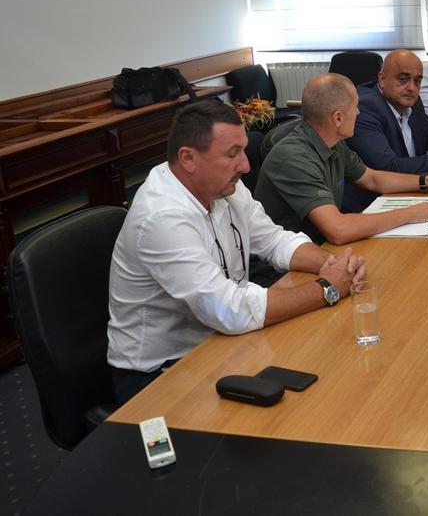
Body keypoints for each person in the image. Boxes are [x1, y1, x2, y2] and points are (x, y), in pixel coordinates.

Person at [107, 100, 367, 403]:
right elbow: (228, 309)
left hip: (220, 343)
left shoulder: (222, 185)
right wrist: (327, 288)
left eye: (243, 150)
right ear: (188, 158)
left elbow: (272, 239)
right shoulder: (162, 217)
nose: (245, 166)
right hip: (160, 374)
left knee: (331, 371)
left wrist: (334, 264)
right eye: (232, 154)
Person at [255, 74, 428, 245]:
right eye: (355, 107)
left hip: (320, 247)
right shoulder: (294, 158)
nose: (359, 113)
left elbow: (371, 179)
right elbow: (338, 229)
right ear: (338, 117)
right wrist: (411, 213)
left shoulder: (332, 141)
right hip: (286, 268)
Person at [345, 49, 428, 212]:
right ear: (382, 79)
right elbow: (388, 166)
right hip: (373, 205)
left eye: (417, 81)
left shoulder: (412, 101)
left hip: (412, 192)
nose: (411, 87)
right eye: (403, 79)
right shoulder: (365, 108)